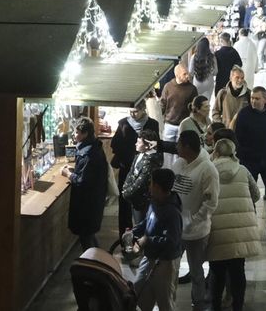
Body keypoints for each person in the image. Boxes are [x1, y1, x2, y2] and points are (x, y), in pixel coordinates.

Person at [206, 137, 261, 311]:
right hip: (241, 230)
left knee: (217, 272)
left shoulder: (209, 171)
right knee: (238, 271)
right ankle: (237, 306)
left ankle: (215, 306)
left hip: (217, 229)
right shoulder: (243, 170)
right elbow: (257, 194)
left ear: (216, 152)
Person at [169, 131, 219, 311]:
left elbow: (211, 202)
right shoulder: (178, 164)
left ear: (188, 147)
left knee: (197, 272)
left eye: (179, 144)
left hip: (197, 232)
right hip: (176, 229)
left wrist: (194, 221)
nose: (176, 147)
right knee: (170, 269)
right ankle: (168, 302)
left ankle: (197, 305)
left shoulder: (208, 170)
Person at [233, 86, 266, 246]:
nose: (253, 101)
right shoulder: (244, 114)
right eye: (252, 99)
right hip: (249, 161)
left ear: (265, 99)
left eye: (257, 99)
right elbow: (238, 138)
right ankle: (251, 226)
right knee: (249, 196)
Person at [131, 168, 185, 311]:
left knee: (165, 301)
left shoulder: (173, 212)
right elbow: (148, 221)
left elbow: (172, 242)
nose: (149, 186)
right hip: (149, 258)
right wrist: (134, 231)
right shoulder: (155, 202)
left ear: (157, 187)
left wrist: (147, 240)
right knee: (140, 294)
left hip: (165, 263)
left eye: (151, 183)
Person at [68, 119, 110, 250]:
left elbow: (82, 180)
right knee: (89, 235)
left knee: (86, 237)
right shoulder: (94, 147)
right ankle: (97, 261)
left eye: (76, 132)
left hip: (87, 204)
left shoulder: (88, 154)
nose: (74, 135)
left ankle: (91, 265)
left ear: (85, 134)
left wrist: (68, 174)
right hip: (94, 202)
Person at [111, 105, 151, 234]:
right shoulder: (123, 123)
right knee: (124, 205)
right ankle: (125, 239)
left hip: (143, 170)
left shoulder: (152, 124)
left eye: (136, 111)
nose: (133, 114)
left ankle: (141, 238)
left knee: (142, 206)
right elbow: (114, 144)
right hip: (126, 168)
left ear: (143, 110)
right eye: (131, 111)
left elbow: (156, 146)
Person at [161, 64, 199, 152]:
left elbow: (195, 108)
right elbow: (162, 104)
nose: (187, 76)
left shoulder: (192, 89)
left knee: (181, 151)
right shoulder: (168, 86)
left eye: (187, 73)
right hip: (169, 124)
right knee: (167, 151)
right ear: (177, 75)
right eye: (184, 74)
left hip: (183, 125)